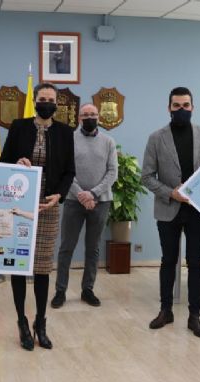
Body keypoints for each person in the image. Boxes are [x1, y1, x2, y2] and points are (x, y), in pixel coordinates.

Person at [142, 87, 200, 339]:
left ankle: (195, 315)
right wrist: (170, 193)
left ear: (192, 107)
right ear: (169, 108)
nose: (181, 109)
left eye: (186, 105)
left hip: (197, 210)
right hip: (168, 209)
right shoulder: (156, 138)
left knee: (195, 263)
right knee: (168, 261)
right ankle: (165, 310)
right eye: (176, 105)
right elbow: (146, 177)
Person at [0, 82, 75, 351]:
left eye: (51, 99)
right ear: (34, 101)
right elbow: (3, 162)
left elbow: (69, 171)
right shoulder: (18, 127)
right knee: (18, 265)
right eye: (42, 99)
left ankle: (40, 323)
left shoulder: (65, 132)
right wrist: (16, 163)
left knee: (42, 268)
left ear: (57, 103)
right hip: (19, 205)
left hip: (47, 207)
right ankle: (21, 321)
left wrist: (60, 195)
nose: (46, 103)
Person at [51, 103, 118, 309]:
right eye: (85, 114)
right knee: (66, 247)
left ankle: (87, 289)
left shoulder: (108, 141)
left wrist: (93, 193)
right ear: (79, 118)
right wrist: (81, 194)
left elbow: (112, 172)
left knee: (93, 248)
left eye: (93, 114)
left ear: (98, 117)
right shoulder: (69, 139)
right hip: (74, 200)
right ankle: (60, 290)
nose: (89, 117)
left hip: (100, 201)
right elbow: (65, 171)